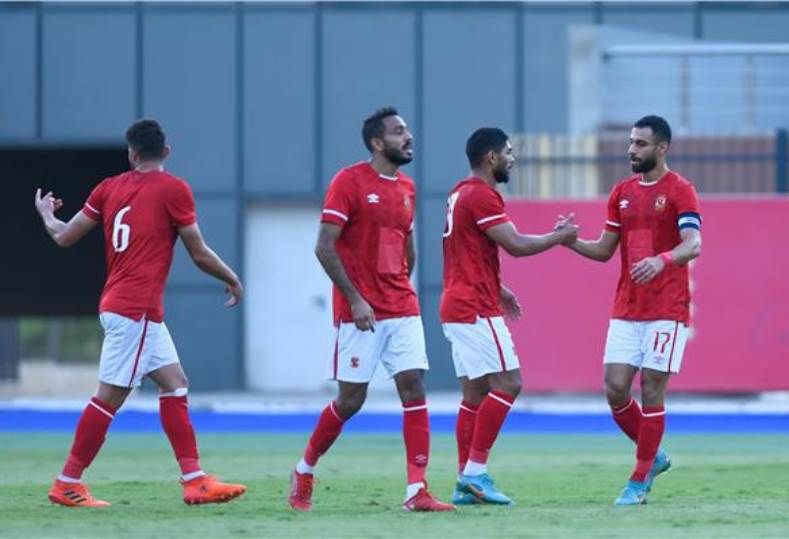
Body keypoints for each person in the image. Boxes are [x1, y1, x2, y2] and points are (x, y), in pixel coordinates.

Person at [35, 119, 247, 507]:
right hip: (136, 310)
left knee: (174, 382)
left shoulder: (108, 187)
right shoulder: (174, 188)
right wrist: (232, 278)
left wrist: (47, 214)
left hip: (125, 306)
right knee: (109, 398)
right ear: (166, 151)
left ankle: (194, 479)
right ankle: (67, 482)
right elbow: (198, 252)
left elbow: (64, 236)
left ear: (131, 154)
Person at [287, 107, 454, 513]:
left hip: (402, 308)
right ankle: (304, 469)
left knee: (414, 387)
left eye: (407, 130)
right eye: (398, 132)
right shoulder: (348, 182)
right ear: (378, 143)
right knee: (350, 401)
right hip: (359, 314)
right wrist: (357, 298)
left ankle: (416, 490)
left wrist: (399, 287)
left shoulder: (408, 188)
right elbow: (324, 246)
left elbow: (407, 247)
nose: (408, 137)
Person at [563, 115, 702, 505]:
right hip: (627, 307)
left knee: (652, 388)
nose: (631, 150)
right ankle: (654, 454)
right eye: (630, 142)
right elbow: (604, 250)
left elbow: (693, 243)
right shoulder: (621, 192)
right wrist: (570, 241)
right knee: (615, 388)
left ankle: (639, 480)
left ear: (662, 148)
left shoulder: (680, 190)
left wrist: (662, 260)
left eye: (640, 144)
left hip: (667, 308)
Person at [440, 127, 579, 505]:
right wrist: (559, 237)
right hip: (474, 307)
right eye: (509, 151)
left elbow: (463, 252)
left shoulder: (459, 192)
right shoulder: (482, 195)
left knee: (474, 394)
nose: (513, 159)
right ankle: (475, 473)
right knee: (509, 383)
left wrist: (498, 287)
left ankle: (464, 483)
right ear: (491, 157)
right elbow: (516, 245)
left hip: (457, 302)